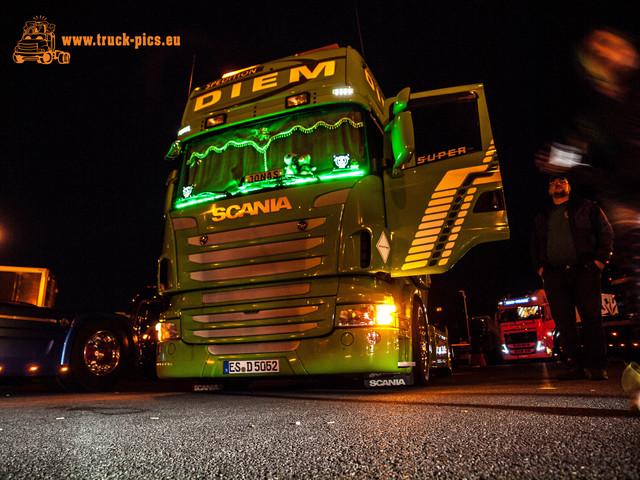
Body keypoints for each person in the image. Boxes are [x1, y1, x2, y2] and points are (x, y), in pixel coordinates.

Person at [531, 174, 614, 380]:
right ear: (549, 191)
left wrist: (599, 262)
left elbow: (606, 233)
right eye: (553, 183)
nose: (558, 185)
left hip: (584, 271)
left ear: (569, 187)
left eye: (562, 182)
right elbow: (534, 243)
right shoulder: (543, 214)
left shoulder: (587, 207)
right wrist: (541, 268)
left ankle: (597, 367)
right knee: (564, 322)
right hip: (554, 275)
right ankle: (576, 367)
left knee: (591, 319)